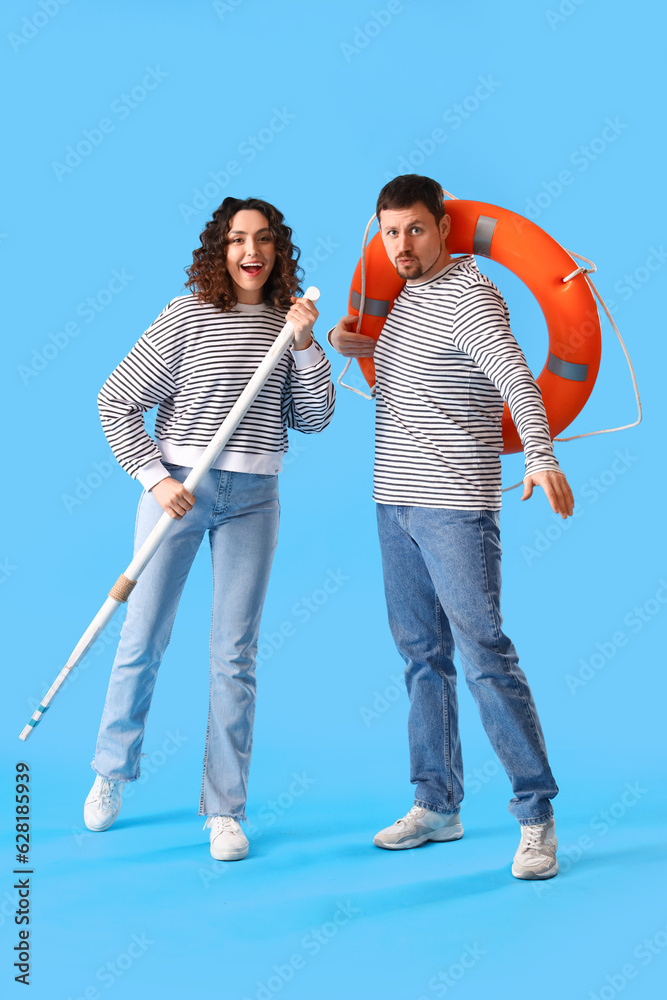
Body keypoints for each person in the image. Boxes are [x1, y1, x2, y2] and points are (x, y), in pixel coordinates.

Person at [329, 174, 574, 880]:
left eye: (414, 229)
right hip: (392, 502)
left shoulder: (470, 297)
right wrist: (351, 344)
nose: (401, 244)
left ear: (442, 229)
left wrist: (539, 454)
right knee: (419, 656)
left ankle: (535, 817)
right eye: (390, 231)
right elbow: (405, 379)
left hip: (453, 505)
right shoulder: (403, 301)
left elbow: (515, 376)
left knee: (484, 655)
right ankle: (435, 803)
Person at [84, 196, 335, 860]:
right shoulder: (188, 315)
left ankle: (224, 809)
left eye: (262, 240)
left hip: (255, 496)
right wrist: (154, 478)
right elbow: (116, 399)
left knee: (234, 655)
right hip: (178, 491)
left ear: (279, 250)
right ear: (218, 251)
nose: (250, 251)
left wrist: (307, 348)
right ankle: (111, 772)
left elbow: (313, 419)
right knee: (142, 636)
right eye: (236, 240)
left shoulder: (289, 325)